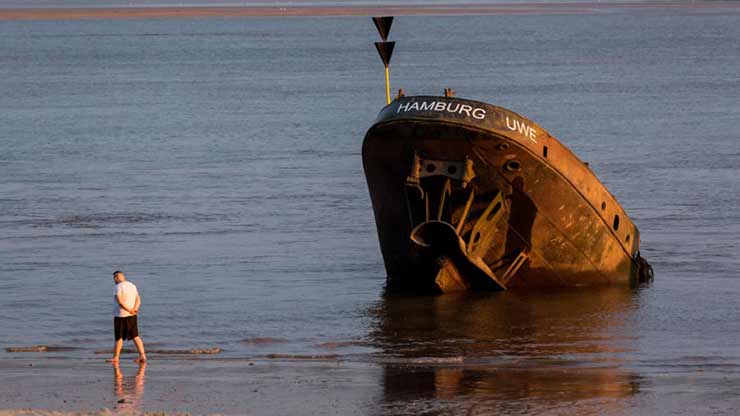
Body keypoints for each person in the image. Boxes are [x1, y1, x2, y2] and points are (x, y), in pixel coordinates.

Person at [108, 271, 147, 364]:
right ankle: (142, 355)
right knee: (135, 336)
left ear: (116, 278)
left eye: (114, 278)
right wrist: (135, 309)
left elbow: (120, 302)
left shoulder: (117, 287)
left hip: (121, 315)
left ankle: (116, 357)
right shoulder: (132, 285)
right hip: (132, 315)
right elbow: (138, 298)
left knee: (119, 337)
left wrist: (129, 310)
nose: (114, 280)